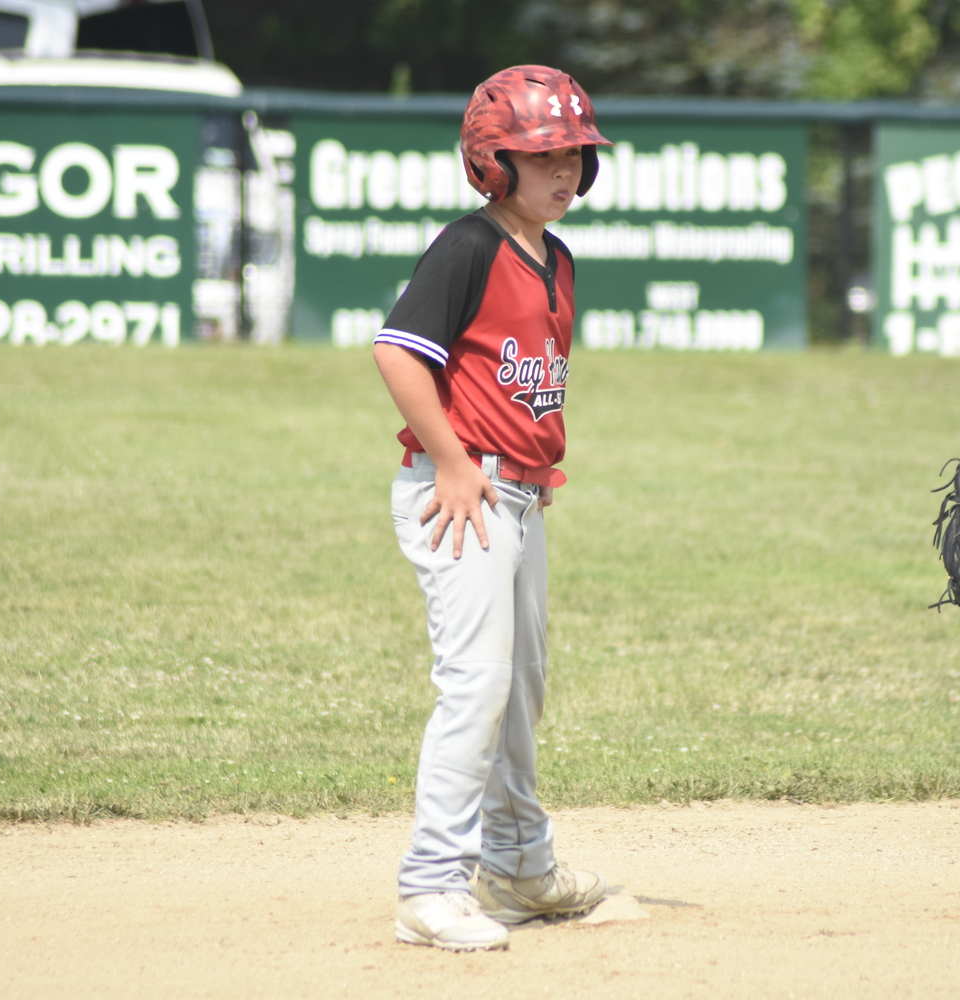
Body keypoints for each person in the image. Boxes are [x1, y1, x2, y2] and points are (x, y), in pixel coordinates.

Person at [371, 66, 611, 949]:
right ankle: (430, 888)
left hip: (516, 497)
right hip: (461, 496)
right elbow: (397, 355)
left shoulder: (559, 257)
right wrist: (453, 461)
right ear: (492, 162)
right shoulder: (469, 245)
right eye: (544, 155)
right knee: (475, 688)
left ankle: (516, 866)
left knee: (518, 693)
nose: (566, 170)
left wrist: (533, 473)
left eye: (576, 154)